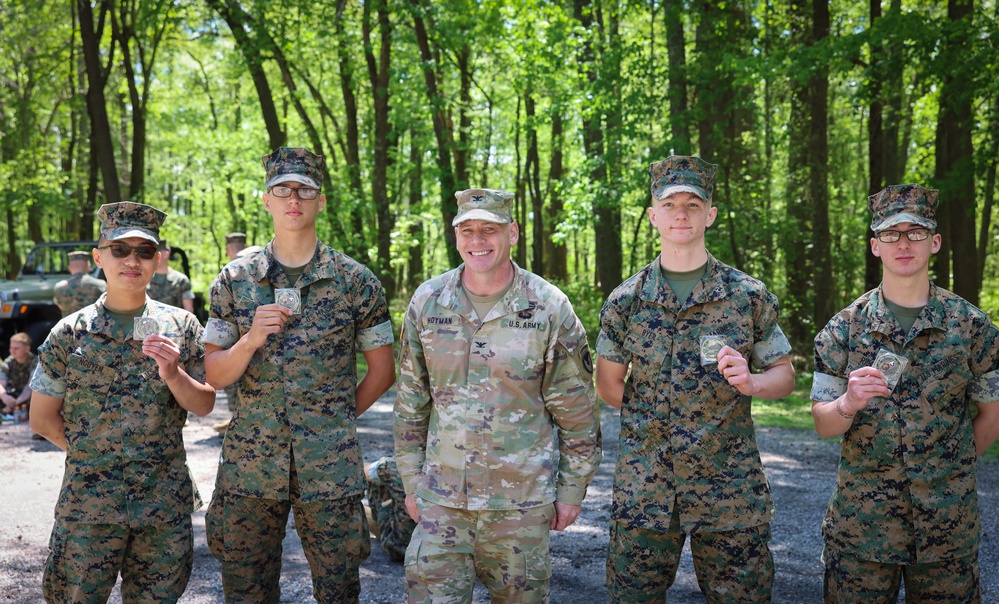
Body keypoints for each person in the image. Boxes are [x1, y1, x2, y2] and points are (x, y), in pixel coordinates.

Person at [596, 156, 795, 603]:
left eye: (692, 203)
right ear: (653, 216)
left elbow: (784, 376)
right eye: (669, 205)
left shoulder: (747, 296)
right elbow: (609, 387)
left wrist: (752, 383)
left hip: (730, 490)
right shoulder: (626, 301)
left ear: (711, 214)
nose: (681, 214)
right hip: (646, 492)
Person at [202, 146, 396, 602]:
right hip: (250, 467)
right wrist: (249, 339)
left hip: (329, 465)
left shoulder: (356, 281)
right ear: (266, 200)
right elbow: (213, 373)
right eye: (282, 189)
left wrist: (334, 419)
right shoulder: (234, 280)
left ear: (320, 201)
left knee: (338, 589)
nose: (294, 198)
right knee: (247, 591)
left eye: (305, 189)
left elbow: (383, 371)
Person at [395, 188, 602, 603]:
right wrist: (412, 481)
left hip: (520, 506)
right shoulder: (428, 301)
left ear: (513, 233)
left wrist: (570, 491)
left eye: (489, 229)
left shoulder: (548, 306)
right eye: (467, 230)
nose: (477, 240)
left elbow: (577, 411)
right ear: (455, 236)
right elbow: (411, 401)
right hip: (442, 501)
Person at [810, 184, 999, 602]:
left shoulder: (973, 328)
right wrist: (847, 403)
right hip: (862, 533)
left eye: (915, 232)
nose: (903, 243)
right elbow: (823, 423)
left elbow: (992, 415)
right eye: (891, 234)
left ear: (934, 242)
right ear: (875, 246)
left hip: (946, 532)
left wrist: (949, 469)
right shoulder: (842, 330)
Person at [28, 201, 215, 602]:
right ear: (98, 257)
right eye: (120, 250)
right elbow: (42, 420)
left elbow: (204, 404)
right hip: (89, 507)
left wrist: (173, 373)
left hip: (162, 506)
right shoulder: (70, 333)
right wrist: (98, 455)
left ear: (157, 259)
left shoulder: (182, 326)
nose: (133, 260)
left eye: (144, 251)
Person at [52, 250, 107, 316]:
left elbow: (60, 306)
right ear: (88, 267)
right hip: (93, 325)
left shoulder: (59, 287)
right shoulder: (101, 285)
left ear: (69, 268)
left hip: (68, 325)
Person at [146, 240, 195, 313]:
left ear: (166, 254)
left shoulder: (181, 280)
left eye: (155, 252)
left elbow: (189, 310)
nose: (152, 256)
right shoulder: (145, 278)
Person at [1, 332, 37, 423]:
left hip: (29, 397)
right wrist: (4, 396)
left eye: (16, 348)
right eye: (11, 348)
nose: (12, 351)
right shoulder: (9, 361)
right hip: (15, 395)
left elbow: (30, 387)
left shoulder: (35, 362)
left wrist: (15, 403)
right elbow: (1, 383)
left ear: (27, 349)